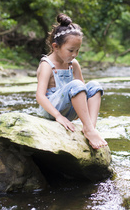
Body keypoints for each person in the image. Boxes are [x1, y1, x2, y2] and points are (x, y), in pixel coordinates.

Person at [36, 13, 108, 149]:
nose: (74, 54)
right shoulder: (47, 65)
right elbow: (40, 96)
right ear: (56, 47)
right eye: (70, 50)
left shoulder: (73, 64)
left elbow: (84, 91)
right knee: (76, 84)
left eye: (77, 50)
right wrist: (58, 116)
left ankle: (90, 128)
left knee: (94, 86)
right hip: (51, 110)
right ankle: (89, 129)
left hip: (69, 109)